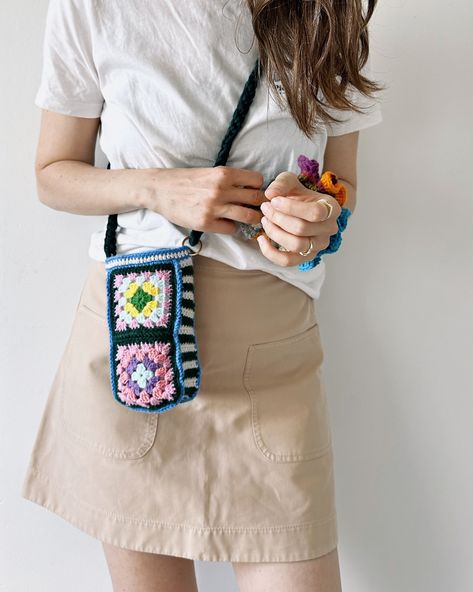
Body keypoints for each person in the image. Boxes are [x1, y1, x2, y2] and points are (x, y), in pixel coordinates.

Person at [21, 0, 383, 590]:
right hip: (134, 346)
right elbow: (52, 173)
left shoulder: (332, 10)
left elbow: (342, 184)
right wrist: (158, 190)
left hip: (273, 361)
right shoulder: (94, 6)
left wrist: (317, 215)